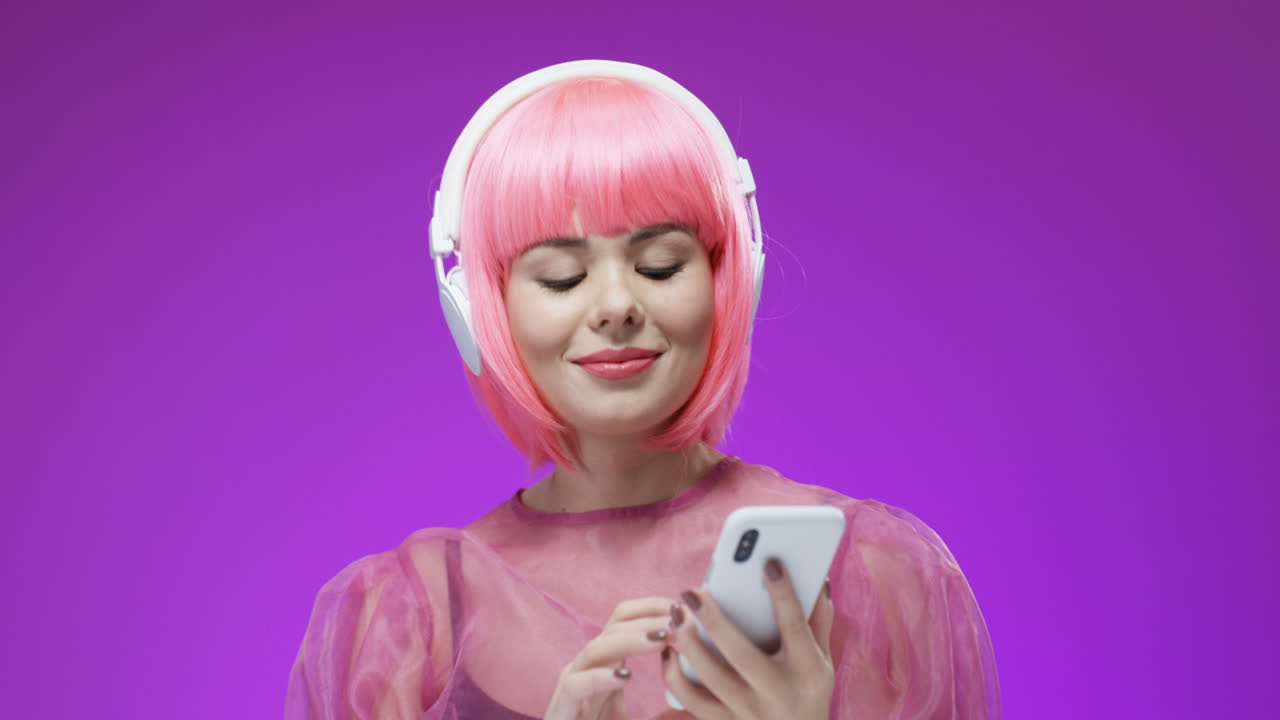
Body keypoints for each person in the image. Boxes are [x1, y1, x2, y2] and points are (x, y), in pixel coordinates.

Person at [284, 60, 1002, 720]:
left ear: (733, 284)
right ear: (480, 311)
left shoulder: (878, 577)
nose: (616, 305)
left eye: (661, 265)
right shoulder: (403, 617)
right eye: (561, 277)